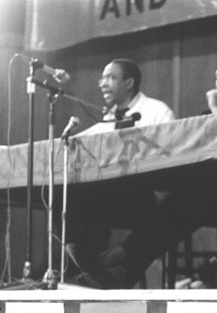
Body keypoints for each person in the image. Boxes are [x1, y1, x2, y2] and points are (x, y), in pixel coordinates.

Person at [76, 54, 217, 288]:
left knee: (179, 207)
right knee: (176, 208)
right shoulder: (208, 114)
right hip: (210, 194)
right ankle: (121, 271)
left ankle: (117, 261)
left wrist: (214, 109)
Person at [63, 59, 175, 280]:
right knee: (69, 194)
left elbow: (171, 155)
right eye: (102, 78)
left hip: (148, 198)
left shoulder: (157, 111)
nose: (103, 84)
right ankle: (86, 264)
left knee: (94, 195)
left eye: (111, 78)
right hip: (115, 196)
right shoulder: (108, 118)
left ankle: (93, 268)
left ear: (129, 82)